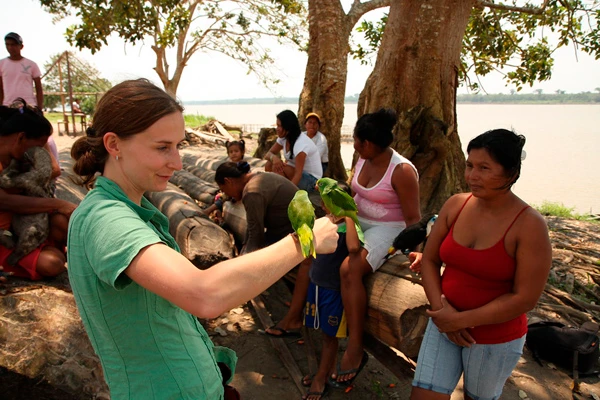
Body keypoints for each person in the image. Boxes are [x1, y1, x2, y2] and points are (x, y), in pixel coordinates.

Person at [67, 78, 339, 400]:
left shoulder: (134, 209)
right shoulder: (107, 219)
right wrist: (304, 241)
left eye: (178, 146)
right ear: (114, 145)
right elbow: (204, 294)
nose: (177, 163)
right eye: (162, 147)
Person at [410, 129, 552, 400]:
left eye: (484, 168)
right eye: (470, 165)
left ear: (511, 173)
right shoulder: (456, 205)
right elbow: (429, 259)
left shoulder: (529, 225)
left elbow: (525, 298)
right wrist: (443, 313)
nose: (472, 176)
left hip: (494, 339)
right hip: (443, 323)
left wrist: (460, 321)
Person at [333, 108, 421, 388]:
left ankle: (356, 345)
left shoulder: (402, 170)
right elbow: (354, 193)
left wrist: (415, 253)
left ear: (367, 143)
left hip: (389, 229)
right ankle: (323, 322)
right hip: (356, 220)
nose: (355, 146)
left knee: (350, 269)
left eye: (357, 141)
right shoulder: (362, 159)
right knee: (314, 251)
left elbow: (413, 220)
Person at [215, 161, 312, 337]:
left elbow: (256, 237)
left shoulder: (252, 192)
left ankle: (292, 318)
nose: (225, 194)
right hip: (291, 230)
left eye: (223, 189)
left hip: (301, 236)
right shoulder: (258, 178)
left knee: (251, 257)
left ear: (228, 181)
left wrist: (238, 268)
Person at [0, 104, 76, 280]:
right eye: (39, 147)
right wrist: (58, 204)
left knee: (63, 222)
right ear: (20, 138)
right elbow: (4, 201)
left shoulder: (16, 157)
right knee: (53, 263)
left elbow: (53, 170)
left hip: (20, 229)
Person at [302, 206, 361, 400]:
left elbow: (353, 249)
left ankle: (320, 378)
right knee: (320, 331)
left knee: (329, 336)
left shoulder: (350, 228)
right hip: (316, 286)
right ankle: (327, 370)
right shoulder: (324, 223)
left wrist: (349, 217)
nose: (330, 209)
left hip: (333, 292)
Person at [264, 110, 322, 192]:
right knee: (269, 163)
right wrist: (274, 158)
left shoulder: (301, 144)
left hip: (312, 182)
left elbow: (298, 174)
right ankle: (279, 190)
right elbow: (268, 154)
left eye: (279, 126)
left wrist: (290, 194)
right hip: (296, 173)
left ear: (288, 127)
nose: (276, 129)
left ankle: (284, 192)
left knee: (278, 167)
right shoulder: (284, 138)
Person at [202, 140, 246, 221]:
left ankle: (208, 211)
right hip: (229, 189)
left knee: (222, 198)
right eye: (231, 152)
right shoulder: (228, 165)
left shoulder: (243, 165)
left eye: (236, 151)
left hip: (237, 190)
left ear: (242, 152)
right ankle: (219, 216)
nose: (234, 153)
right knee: (218, 197)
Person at [0, 33, 43, 109]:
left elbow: (39, 89)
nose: (10, 47)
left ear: (21, 46)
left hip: (29, 106)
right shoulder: (2, 64)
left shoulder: (31, 65)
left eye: (13, 45)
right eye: (7, 44)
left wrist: (39, 108)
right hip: (8, 106)